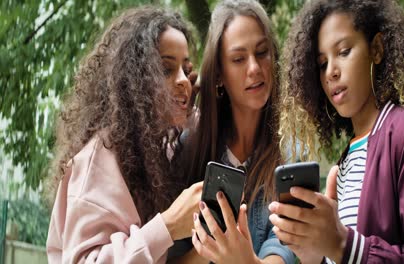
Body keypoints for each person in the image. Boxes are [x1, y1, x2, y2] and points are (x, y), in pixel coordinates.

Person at [269, 0, 404, 263]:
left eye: (343, 51)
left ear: (376, 49)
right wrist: (316, 255)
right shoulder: (349, 156)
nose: (331, 71)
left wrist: (342, 244)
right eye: (322, 64)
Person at [46, 6, 203, 263]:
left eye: (186, 70)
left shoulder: (159, 148)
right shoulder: (99, 157)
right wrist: (169, 225)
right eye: (166, 70)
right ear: (135, 79)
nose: (184, 80)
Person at [185, 0, 295, 263]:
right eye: (238, 59)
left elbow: (284, 247)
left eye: (262, 52)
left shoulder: (292, 153)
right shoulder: (189, 148)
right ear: (219, 74)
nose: (255, 68)